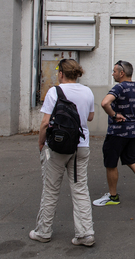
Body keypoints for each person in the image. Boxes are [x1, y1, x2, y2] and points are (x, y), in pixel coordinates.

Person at [30, 59, 96, 247]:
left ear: (61, 74)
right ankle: (85, 234)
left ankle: (43, 231)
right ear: (77, 74)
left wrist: (41, 142)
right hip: (81, 146)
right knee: (80, 189)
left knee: (51, 189)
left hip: (58, 147)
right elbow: (90, 117)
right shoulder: (88, 91)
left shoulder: (55, 92)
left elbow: (45, 123)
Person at [93, 60, 135, 206]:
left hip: (116, 133)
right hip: (132, 131)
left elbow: (104, 103)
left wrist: (114, 115)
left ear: (122, 73)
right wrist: (133, 123)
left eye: (114, 71)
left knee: (111, 164)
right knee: (132, 159)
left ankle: (113, 197)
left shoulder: (119, 88)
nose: (113, 74)